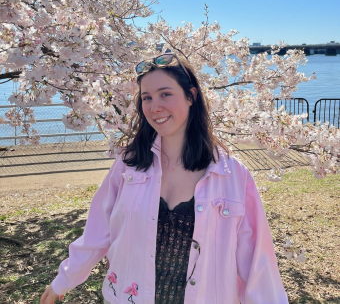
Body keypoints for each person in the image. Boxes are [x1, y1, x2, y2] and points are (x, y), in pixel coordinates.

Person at [40, 53, 289, 304]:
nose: (154, 106)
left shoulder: (232, 175)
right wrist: (64, 279)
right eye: (147, 97)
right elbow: (98, 231)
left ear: (191, 96)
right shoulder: (128, 166)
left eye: (165, 94)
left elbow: (257, 262)